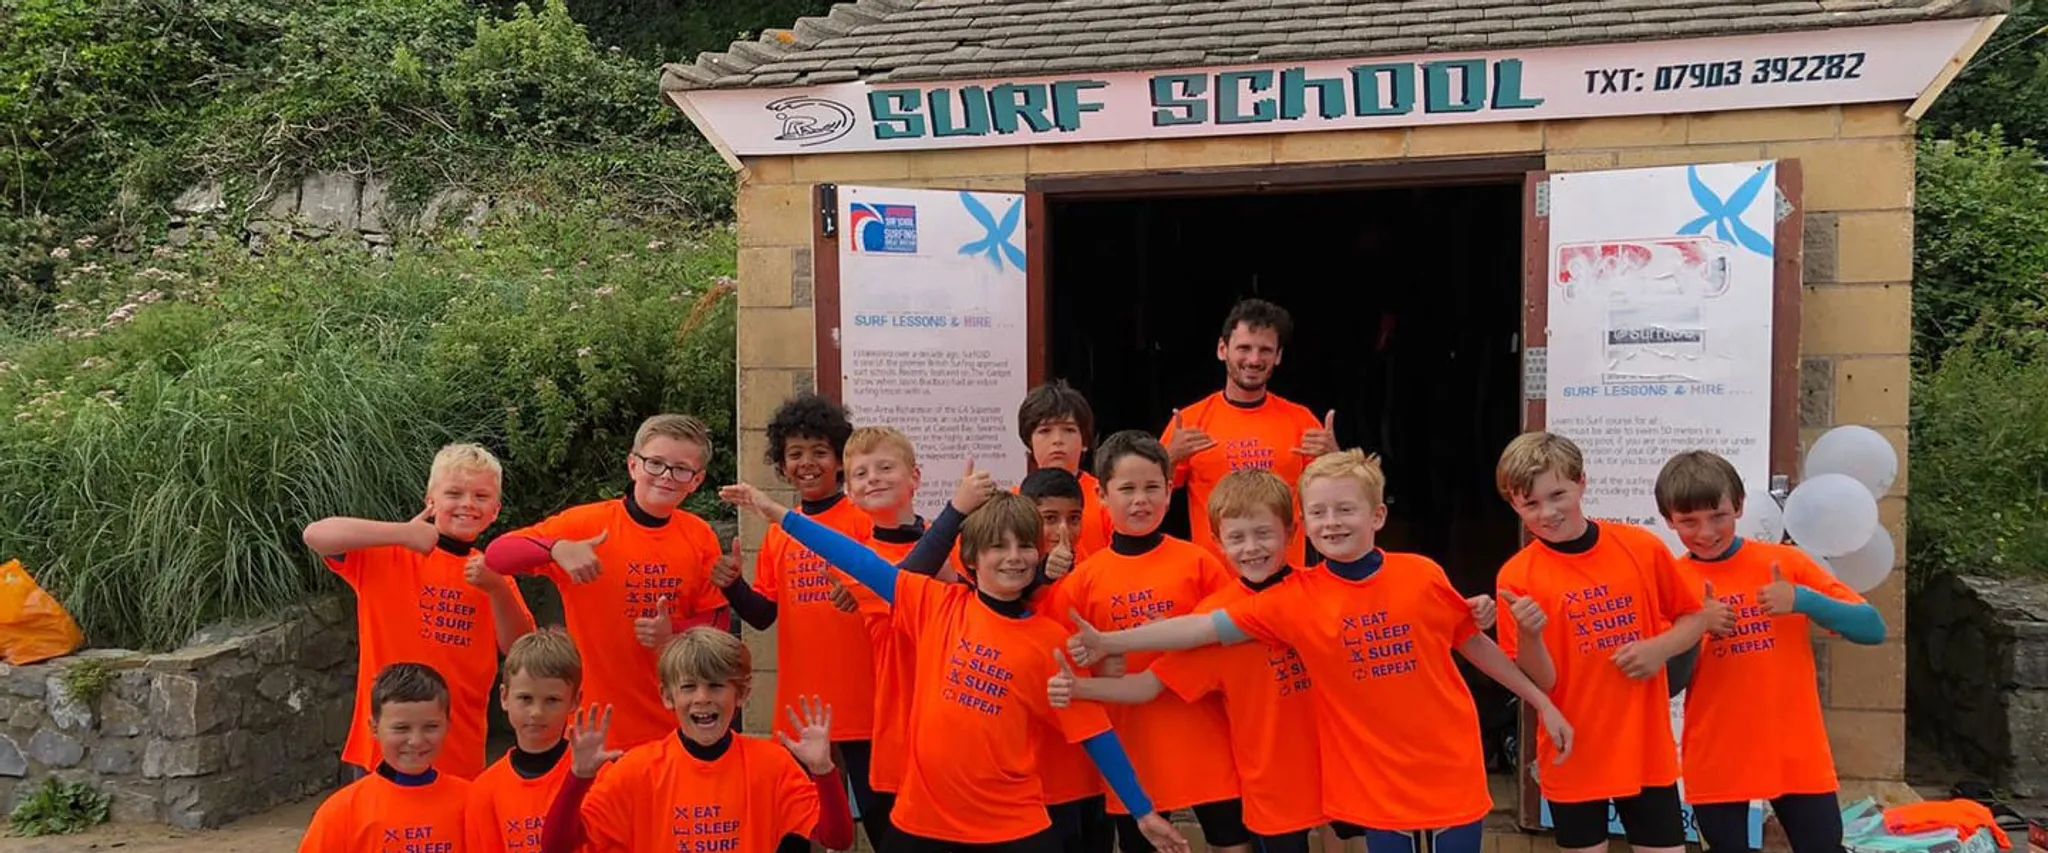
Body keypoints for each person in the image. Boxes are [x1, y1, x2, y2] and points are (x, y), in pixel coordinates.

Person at [1059, 457, 1573, 853]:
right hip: (1350, 784)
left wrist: (1541, 702)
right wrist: (1109, 644)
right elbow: (1194, 631)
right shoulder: (1288, 600)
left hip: (1438, 768)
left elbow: (1472, 642)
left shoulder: (1419, 574)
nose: (1332, 523)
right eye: (1321, 512)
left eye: (1345, 510)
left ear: (1376, 515)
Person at [720, 483, 1191, 853]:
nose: (1013, 557)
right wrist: (781, 515)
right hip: (922, 817)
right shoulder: (934, 604)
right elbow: (858, 560)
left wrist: (1143, 810)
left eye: (1024, 546)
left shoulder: (1051, 642)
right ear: (971, 559)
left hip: (1013, 820)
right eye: (997, 548)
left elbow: (1094, 732)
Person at [1492, 432, 1719, 853]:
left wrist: (1659, 649)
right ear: (1514, 505)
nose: (1548, 512)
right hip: (1573, 752)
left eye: (1557, 494)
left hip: (1645, 749)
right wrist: (1530, 634)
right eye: (1530, 504)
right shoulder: (1516, 577)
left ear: (1582, 482)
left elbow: (1696, 617)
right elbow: (1542, 680)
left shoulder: (1639, 547)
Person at [1656, 450, 1886, 853]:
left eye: (1718, 516)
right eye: (1688, 521)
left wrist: (1802, 599)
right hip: (1717, 758)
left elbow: (1872, 629)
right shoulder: (1672, 581)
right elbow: (1667, 686)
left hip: (1796, 753)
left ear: (1739, 507)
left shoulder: (1785, 562)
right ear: (1668, 520)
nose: (1705, 532)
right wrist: (1695, 630)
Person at [1048, 431, 1248, 853]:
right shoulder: (1082, 580)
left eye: (1152, 487)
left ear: (1169, 492)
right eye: (1127, 489)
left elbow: (1232, 641)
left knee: (1232, 841)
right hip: (1131, 749)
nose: (1141, 500)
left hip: (1207, 742)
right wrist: (1096, 667)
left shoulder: (1200, 563)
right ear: (1101, 496)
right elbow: (1062, 666)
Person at [482, 414, 732, 750]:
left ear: (696, 480)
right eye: (655, 463)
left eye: (681, 469)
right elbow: (497, 555)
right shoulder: (586, 524)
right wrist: (557, 549)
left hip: (675, 730)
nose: (666, 476)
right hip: (593, 731)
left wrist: (673, 632)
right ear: (633, 465)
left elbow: (719, 619)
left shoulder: (699, 535)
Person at [303, 442, 535, 780]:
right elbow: (316, 534)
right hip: (382, 748)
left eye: (481, 497)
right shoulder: (390, 553)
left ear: (496, 510)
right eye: (454, 493)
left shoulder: (494, 573)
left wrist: (497, 587)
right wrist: (402, 533)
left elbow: (521, 649)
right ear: (431, 501)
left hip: (459, 753)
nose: (467, 504)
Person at [715, 393, 884, 832]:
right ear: (782, 463)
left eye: (819, 452)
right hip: (802, 705)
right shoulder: (777, 536)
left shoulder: (866, 519)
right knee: (795, 823)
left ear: (840, 461)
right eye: (795, 454)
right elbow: (763, 615)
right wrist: (731, 584)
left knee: (883, 823)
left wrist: (862, 591)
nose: (807, 463)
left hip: (868, 700)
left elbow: (896, 588)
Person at [540, 627, 856, 853]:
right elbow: (555, 845)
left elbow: (837, 839)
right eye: (689, 687)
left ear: (741, 694)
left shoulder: (771, 764)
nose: (702, 698)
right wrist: (578, 778)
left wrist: (824, 771)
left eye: (716, 686)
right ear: (667, 696)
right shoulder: (637, 770)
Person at [1160, 299, 1334, 567]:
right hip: (1215, 584)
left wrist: (1335, 458)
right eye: (1244, 348)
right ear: (1222, 349)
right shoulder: (1190, 421)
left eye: (1265, 350)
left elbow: (1336, 500)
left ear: (1278, 356)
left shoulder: (1302, 421)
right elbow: (1153, 502)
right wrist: (1170, 457)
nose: (1254, 360)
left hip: (1286, 583)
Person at [1020, 467, 1114, 853]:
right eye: (1049, 519)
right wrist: (1040, 577)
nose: (1063, 532)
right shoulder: (1012, 569)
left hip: (1092, 748)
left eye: (1073, 519)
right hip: (1040, 755)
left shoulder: (1097, 568)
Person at [298, 663, 471, 852]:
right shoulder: (341, 812)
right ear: (374, 728)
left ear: (447, 725)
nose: (416, 741)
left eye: (431, 727)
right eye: (401, 728)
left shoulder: (472, 801)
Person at [466, 629, 585, 852]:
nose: (537, 712)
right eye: (525, 698)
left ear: (575, 701)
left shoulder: (596, 777)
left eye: (552, 700)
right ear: (504, 697)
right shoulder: (485, 790)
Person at [1019, 381, 1113, 562]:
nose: (1057, 440)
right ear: (1029, 442)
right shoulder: (1014, 502)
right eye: (1045, 431)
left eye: (1068, 430)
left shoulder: (1106, 498)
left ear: (1085, 441)